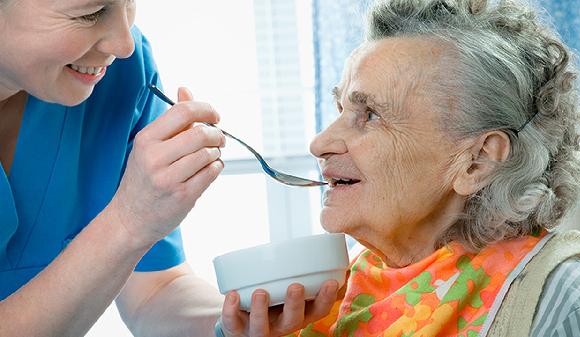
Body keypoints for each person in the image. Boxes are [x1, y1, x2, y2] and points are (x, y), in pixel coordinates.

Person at [218, 0, 580, 336]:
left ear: (477, 161)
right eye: (342, 110)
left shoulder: (562, 298)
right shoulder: (323, 290)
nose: (319, 144)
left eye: (370, 115)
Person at [0, 0, 339, 336]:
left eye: (129, 3)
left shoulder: (124, 74)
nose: (124, 44)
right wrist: (129, 221)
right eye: (90, 13)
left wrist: (229, 324)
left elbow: (154, 290)